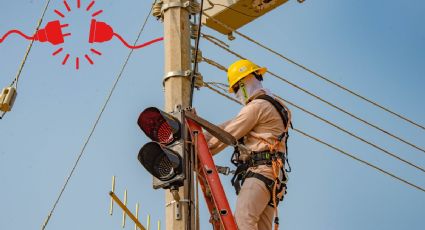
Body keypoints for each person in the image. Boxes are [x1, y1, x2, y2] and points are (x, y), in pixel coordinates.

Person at [206, 59, 292, 230]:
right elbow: (230, 125)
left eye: (236, 88)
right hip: (271, 179)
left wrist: (201, 147)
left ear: (245, 83)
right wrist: (201, 131)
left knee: (243, 221)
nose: (236, 94)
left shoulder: (257, 107)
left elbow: (228, 134)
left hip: (260, 174)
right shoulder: (270, 104)